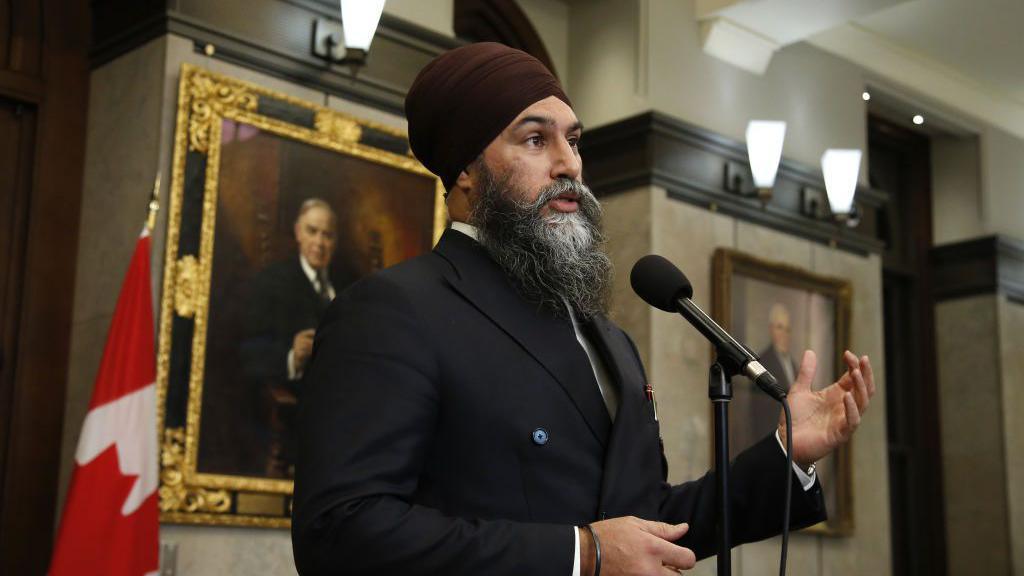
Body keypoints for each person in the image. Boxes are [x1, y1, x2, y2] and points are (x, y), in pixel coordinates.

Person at [292, 42, 876, 575]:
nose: (569, 164)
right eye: (534, 139)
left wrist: (785, 454)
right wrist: (583, 553)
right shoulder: (395, 310)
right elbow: (341, 531)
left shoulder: (606, 337)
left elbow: (646, 522)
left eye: (573, 140)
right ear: (465, 171)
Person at [240, 198, 344, 476]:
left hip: (344, 405)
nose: (319, 243)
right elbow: (248, 353)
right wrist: (291, 356)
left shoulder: (348, 285)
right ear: (298, 232)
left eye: (328, 235)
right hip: (297, 409)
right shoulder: (272, 282)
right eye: (312, 231)